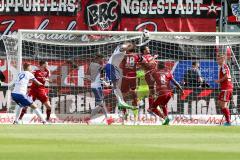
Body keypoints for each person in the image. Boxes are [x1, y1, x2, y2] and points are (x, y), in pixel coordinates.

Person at [105, 43, 137, 110]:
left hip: (113, 67)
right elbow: (123, 47)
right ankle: (120, 102)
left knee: (116, 85)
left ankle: (121, 102)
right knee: (115, 85)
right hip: (111, 66)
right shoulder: (121, 49)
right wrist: (131, 45)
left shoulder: (121, 52)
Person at [87, 54, 113, 125]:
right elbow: (105, 67)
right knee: (101, 103)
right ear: (98, 58)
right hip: (96, 87)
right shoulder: (96, 65)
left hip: (97, 86)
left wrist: (102, 81)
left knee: (100, 104)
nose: (102, 60)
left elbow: (90, 75)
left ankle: (90, 119)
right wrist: (111, 60)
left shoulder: (92, 64)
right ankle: (108, 119)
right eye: (102, 59)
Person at [120, 45, 140, 119]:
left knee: (123, 96)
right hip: (133, 77)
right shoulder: (137, 56)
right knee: (134, 96)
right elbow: (141, 64)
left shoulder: (124, 56)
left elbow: (120, 66)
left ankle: (124, 114)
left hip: (125, 77)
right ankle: (135, 116)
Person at [214, 54, 233, 126]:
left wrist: (219, 81)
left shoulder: (224, 66)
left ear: (222, 59)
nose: (217, 61)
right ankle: (228, 118)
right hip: (226, 88)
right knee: (219, 102)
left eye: (219, 59)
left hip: (226, 88)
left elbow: (226, 76)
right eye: (217, 59)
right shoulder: (223, 67)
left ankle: (228, 121)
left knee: (223, 105)